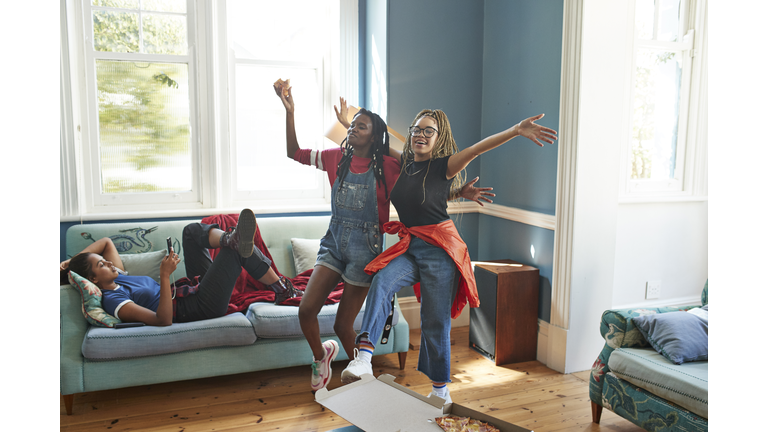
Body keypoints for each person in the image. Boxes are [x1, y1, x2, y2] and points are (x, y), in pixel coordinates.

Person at [273, 83, 493, 392]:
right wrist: (291, 112)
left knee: (357, 324)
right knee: (308, 309)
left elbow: (424, 190)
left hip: (372, 250)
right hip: (336, 244)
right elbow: (295, 152)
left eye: (360, 127)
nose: (351, 130)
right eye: (352, 127)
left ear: (374, 136)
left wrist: (457, 191)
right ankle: (334, 358)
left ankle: (374, 382)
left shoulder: (390, 167)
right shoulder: (336, 158)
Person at [339, 109, 557, 405]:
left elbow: (479, 147)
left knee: (434, 320)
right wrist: (347, 125)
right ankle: (364, 358)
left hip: (440, 250)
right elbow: (379, 145)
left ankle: (440, 390)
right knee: (382, 280)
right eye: (417, 130)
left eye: (429, 131)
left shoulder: (444, 165)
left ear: (439, 138)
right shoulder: (405, 163)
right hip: (412, 245)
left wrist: (516, 129)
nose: (421, 135)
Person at [60, 209, 302, 325]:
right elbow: (162, 320)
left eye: (104, 260)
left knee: (190, 231)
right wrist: (164, 276)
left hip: (194, 291)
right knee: (234, 254)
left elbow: (106, 243)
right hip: (197, 307)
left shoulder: (118, 277)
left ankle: (231, 238)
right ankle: (281, 288)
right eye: (102, 264)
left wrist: (71, 264)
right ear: (93, 279)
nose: (109, 261)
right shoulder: (114, 299)